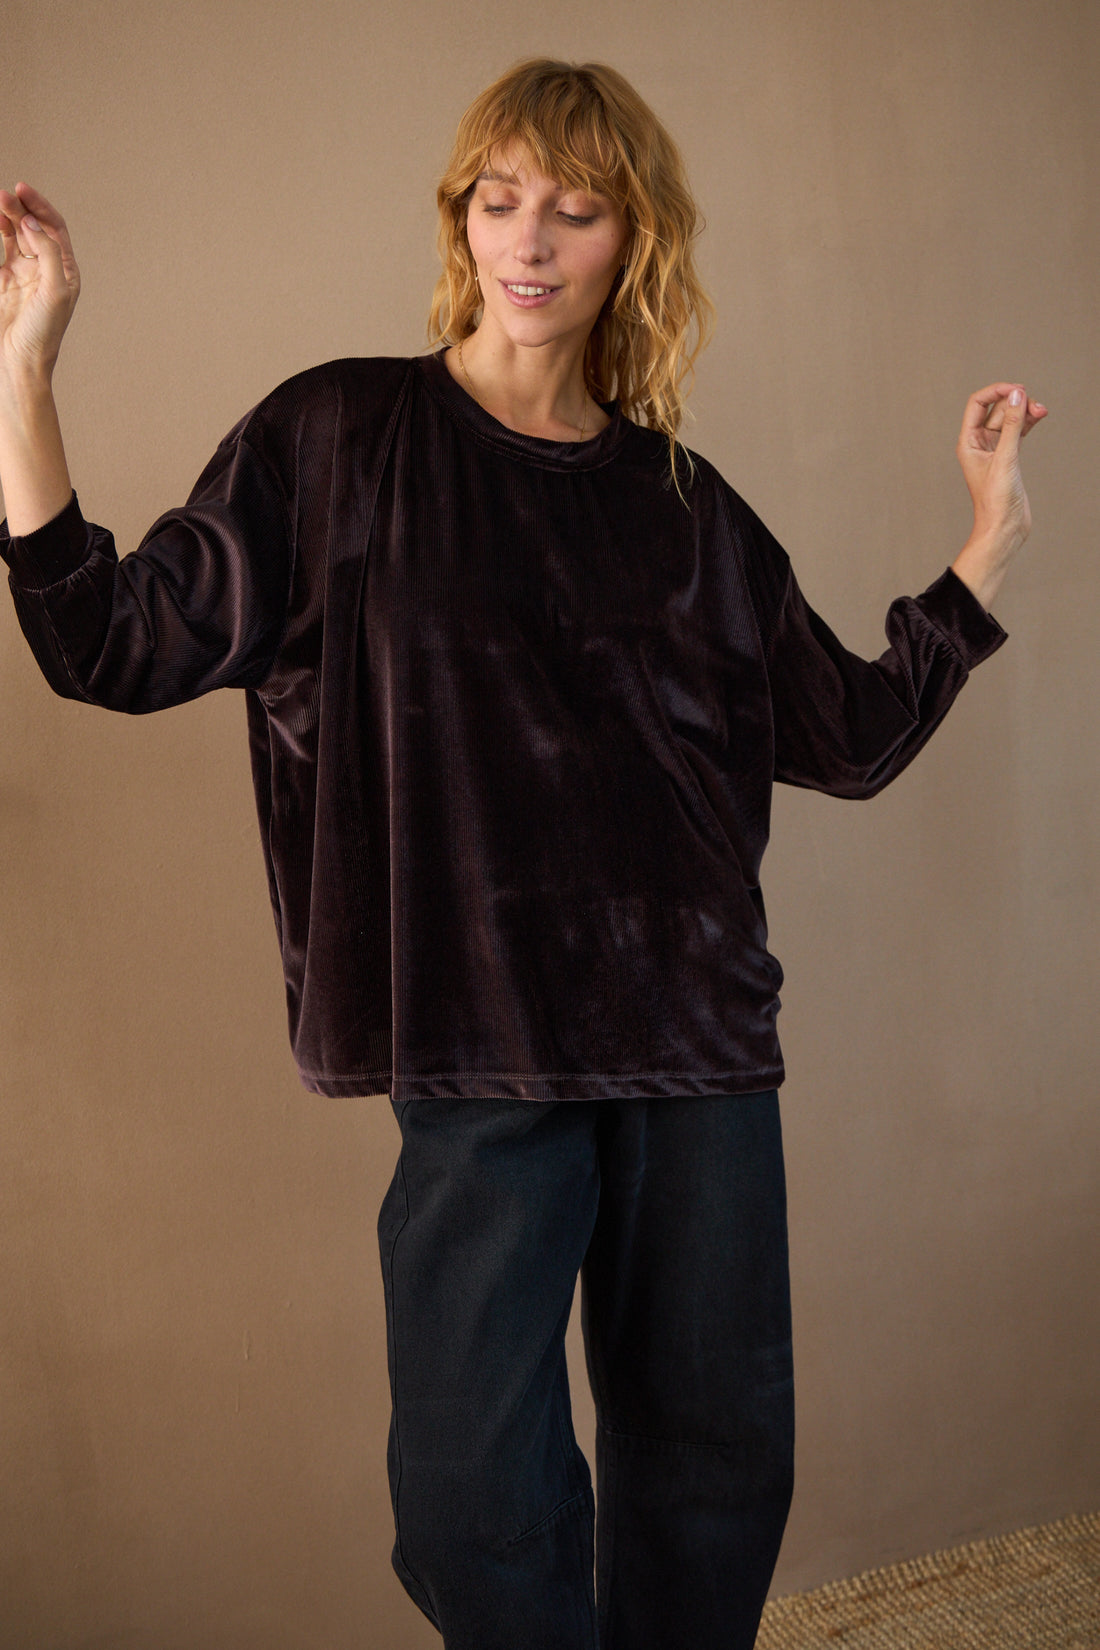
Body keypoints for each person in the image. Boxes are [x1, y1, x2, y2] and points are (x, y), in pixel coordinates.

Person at [0, 57, 1045, 1650]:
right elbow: (108, 640)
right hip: (474, 1053)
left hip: (696, 1050)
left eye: (574, 207)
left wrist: (984, 537)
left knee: (711, 1467)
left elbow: (846, 729)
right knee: (474, 1497)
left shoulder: (686, 508)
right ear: (461, 217)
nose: (530, 239)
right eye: (499, 200)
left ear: (636, 241)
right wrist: (28, 367)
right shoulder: (337, 436)